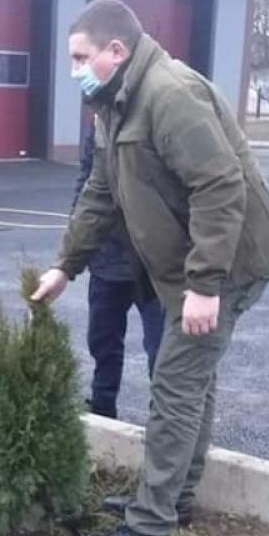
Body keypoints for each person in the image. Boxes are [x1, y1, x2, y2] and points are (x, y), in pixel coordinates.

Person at [32, 0, 269, 536]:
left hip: (233, 262)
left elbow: (221, 187)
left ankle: (149, 529)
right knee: (191, 379)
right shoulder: (111, 103)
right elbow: (100, 195)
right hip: (193, 265)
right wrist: (64, 265)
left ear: (116, 51)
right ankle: (176, 499)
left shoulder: (169, 95)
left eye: (81, 55)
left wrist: (205, 285)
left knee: (175, 381)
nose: (73, 67)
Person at [73, 116, 165, 420]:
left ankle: (164, 422)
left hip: (153, 264)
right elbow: (86, 184)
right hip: (107, 258)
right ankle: (102, 408)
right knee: (102, 340)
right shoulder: (99, 121)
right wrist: (77, 240)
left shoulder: (156, 118)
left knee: (162, 350)